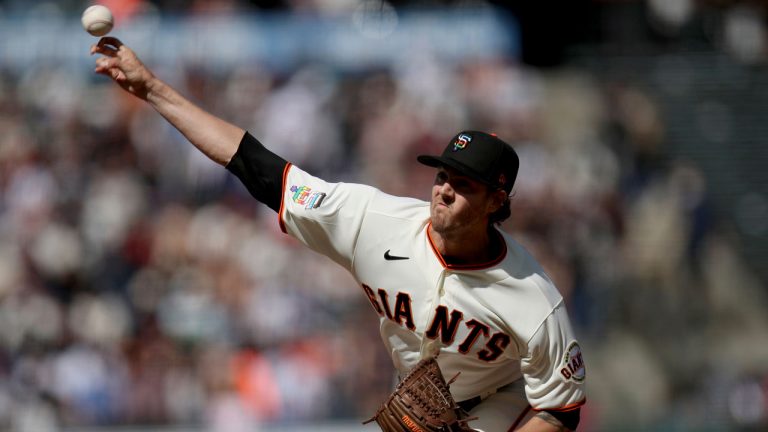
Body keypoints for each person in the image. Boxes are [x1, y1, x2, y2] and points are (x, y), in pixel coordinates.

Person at [91, 37, 586, 431]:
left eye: (464, 185)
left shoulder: (534, 300)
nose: (444, 192)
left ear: (497, 202)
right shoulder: (373, 218)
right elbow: (259, 168)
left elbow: (561, 410)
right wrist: (153, 88)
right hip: (417, 404)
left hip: (505, 406)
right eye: (442, 177)